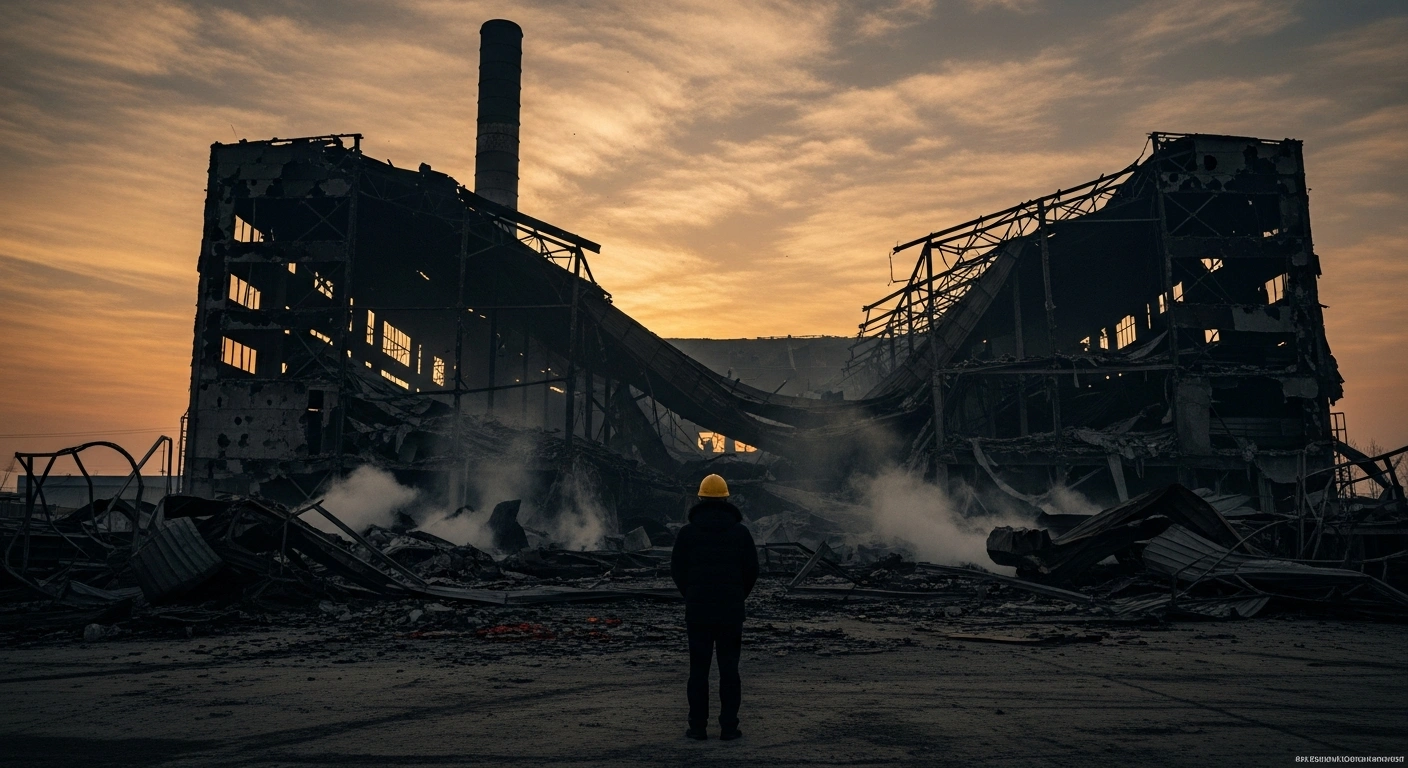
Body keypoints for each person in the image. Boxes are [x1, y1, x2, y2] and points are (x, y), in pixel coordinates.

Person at [670, 473, 759, 741]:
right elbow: (752, 571)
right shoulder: (740, 533)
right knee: (729, 670)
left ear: (699, 499)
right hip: (730, 613)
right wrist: (737, 596)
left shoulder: (687, 534)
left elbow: (677, 571)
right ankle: (729, 727)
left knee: (698, 671)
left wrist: (692, 595)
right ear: (726, 499)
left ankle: (697, 727)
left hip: (698, 614)